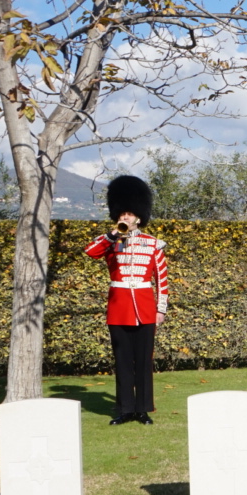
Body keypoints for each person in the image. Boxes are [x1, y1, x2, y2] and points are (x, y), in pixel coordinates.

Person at [85, 175, 167, 425]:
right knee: (122, 361)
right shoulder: (110, 242)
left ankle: (142, 409)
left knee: (143, 361)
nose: (126, 217)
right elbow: (91, 252)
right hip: (119, 309)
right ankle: (125, 409)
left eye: (130, 214)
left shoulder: (153, 244)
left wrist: (160, 309)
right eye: (122, 213)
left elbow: (161, 280)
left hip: (144, 309)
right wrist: (113, 235)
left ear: (139, 217)